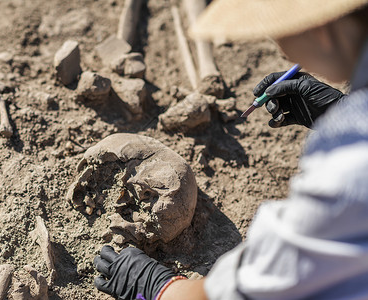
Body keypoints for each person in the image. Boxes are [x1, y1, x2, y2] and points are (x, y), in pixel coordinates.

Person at [93, 0, 368, 299]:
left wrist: (158, 287)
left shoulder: (350, 164)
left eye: (279, 33)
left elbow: (264, 286)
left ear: (319, 29)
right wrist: (339, 108)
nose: (281, 50)